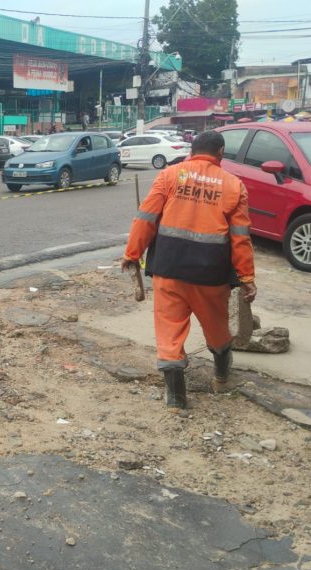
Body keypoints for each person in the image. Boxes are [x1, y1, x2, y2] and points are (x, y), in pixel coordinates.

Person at [121, 130, 256, 411]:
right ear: (220, 153)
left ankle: (175, 398)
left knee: (169, 329)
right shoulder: (233, 185)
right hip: (211, 273)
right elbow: (240, 237)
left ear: (192, 151)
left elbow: (145, 218)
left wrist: (132, 254)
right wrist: (246, 277)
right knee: (217, 327)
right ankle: (221, 378)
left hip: (169, 268)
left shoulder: (170, 175)